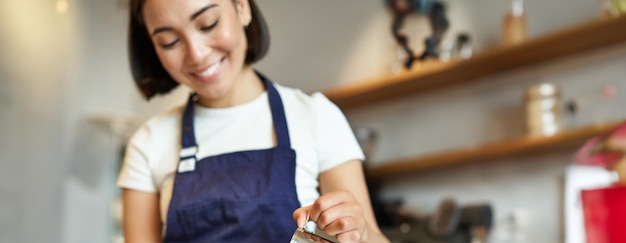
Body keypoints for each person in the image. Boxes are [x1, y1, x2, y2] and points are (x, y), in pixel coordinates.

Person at [117, 0, 390, 242]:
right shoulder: (148, 143)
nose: (196, 54)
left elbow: (372, 237)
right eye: (170, 42)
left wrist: (361, 234)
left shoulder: (316, 116)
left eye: (208, 24)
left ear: (242, 8)